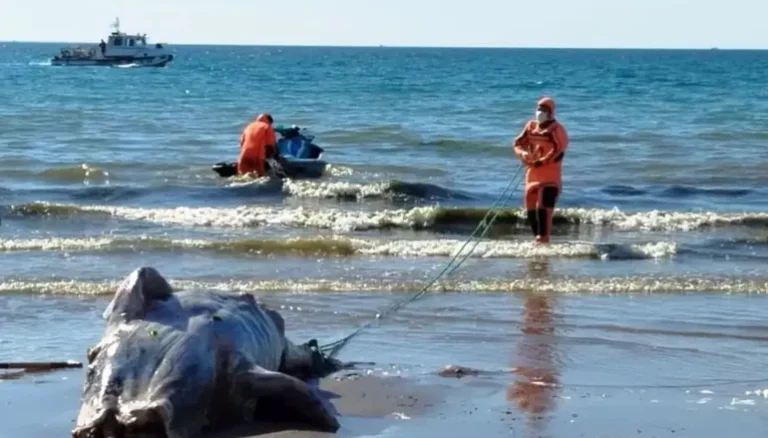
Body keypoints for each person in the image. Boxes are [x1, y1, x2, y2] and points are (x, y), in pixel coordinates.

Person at [512, 97, 569, 244]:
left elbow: (559, 150)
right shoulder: (531, 126)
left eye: (544, 110)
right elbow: (518, 143)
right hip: (532, 174)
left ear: (551, 112)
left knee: (544, 207)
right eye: (538, 109)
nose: (540, 112)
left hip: (550, 176)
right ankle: (539, 240)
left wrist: (542, 161)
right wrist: (523, 154)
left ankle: (543, 238)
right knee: (530, 207)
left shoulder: (557, 129)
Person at [237, 113, 277, 177]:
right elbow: (270, 144)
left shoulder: (248, 127)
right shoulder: (267, 126)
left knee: (242, 175)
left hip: (244, 156)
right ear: (269, 121)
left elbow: (241, 142)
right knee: (260, 177)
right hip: (258, 157)